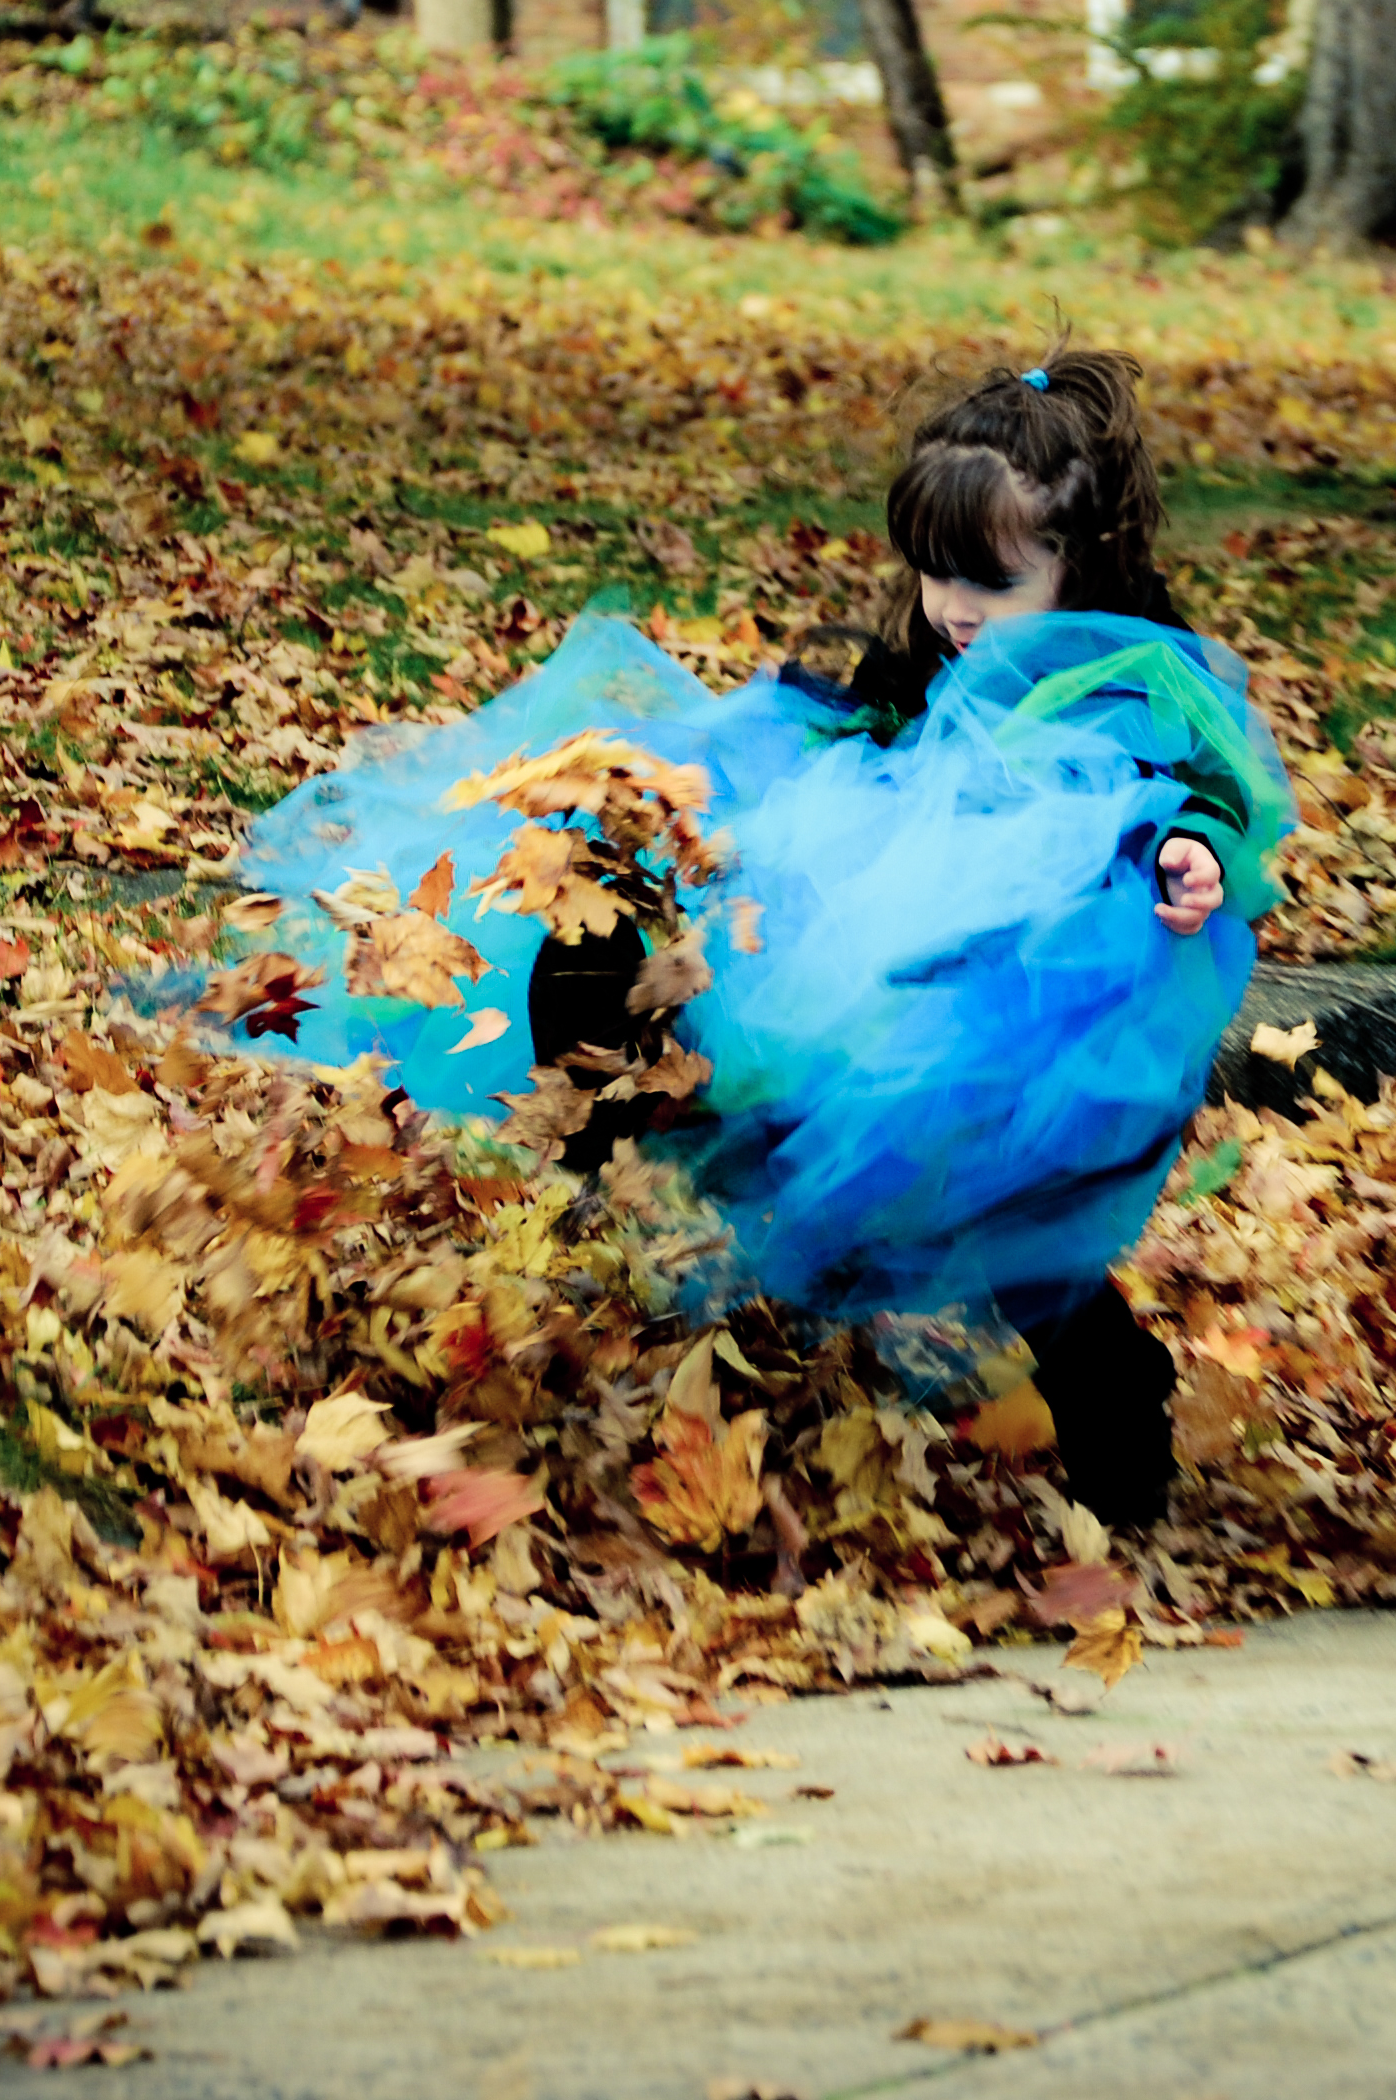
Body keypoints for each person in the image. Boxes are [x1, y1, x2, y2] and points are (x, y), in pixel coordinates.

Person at [189, 347, 1295, 1537]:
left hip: (1024, 990)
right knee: (635, 951)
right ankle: (605, 1132)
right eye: (934, 575)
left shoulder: (1129, 672)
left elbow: (1202, 788)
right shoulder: (936, 647)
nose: (955, 608)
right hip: (874, 934)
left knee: (993, 1213)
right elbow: (861, 730)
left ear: (1080, 565)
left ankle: (1109, 1392)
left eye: (992, 580)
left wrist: (1190, 849)